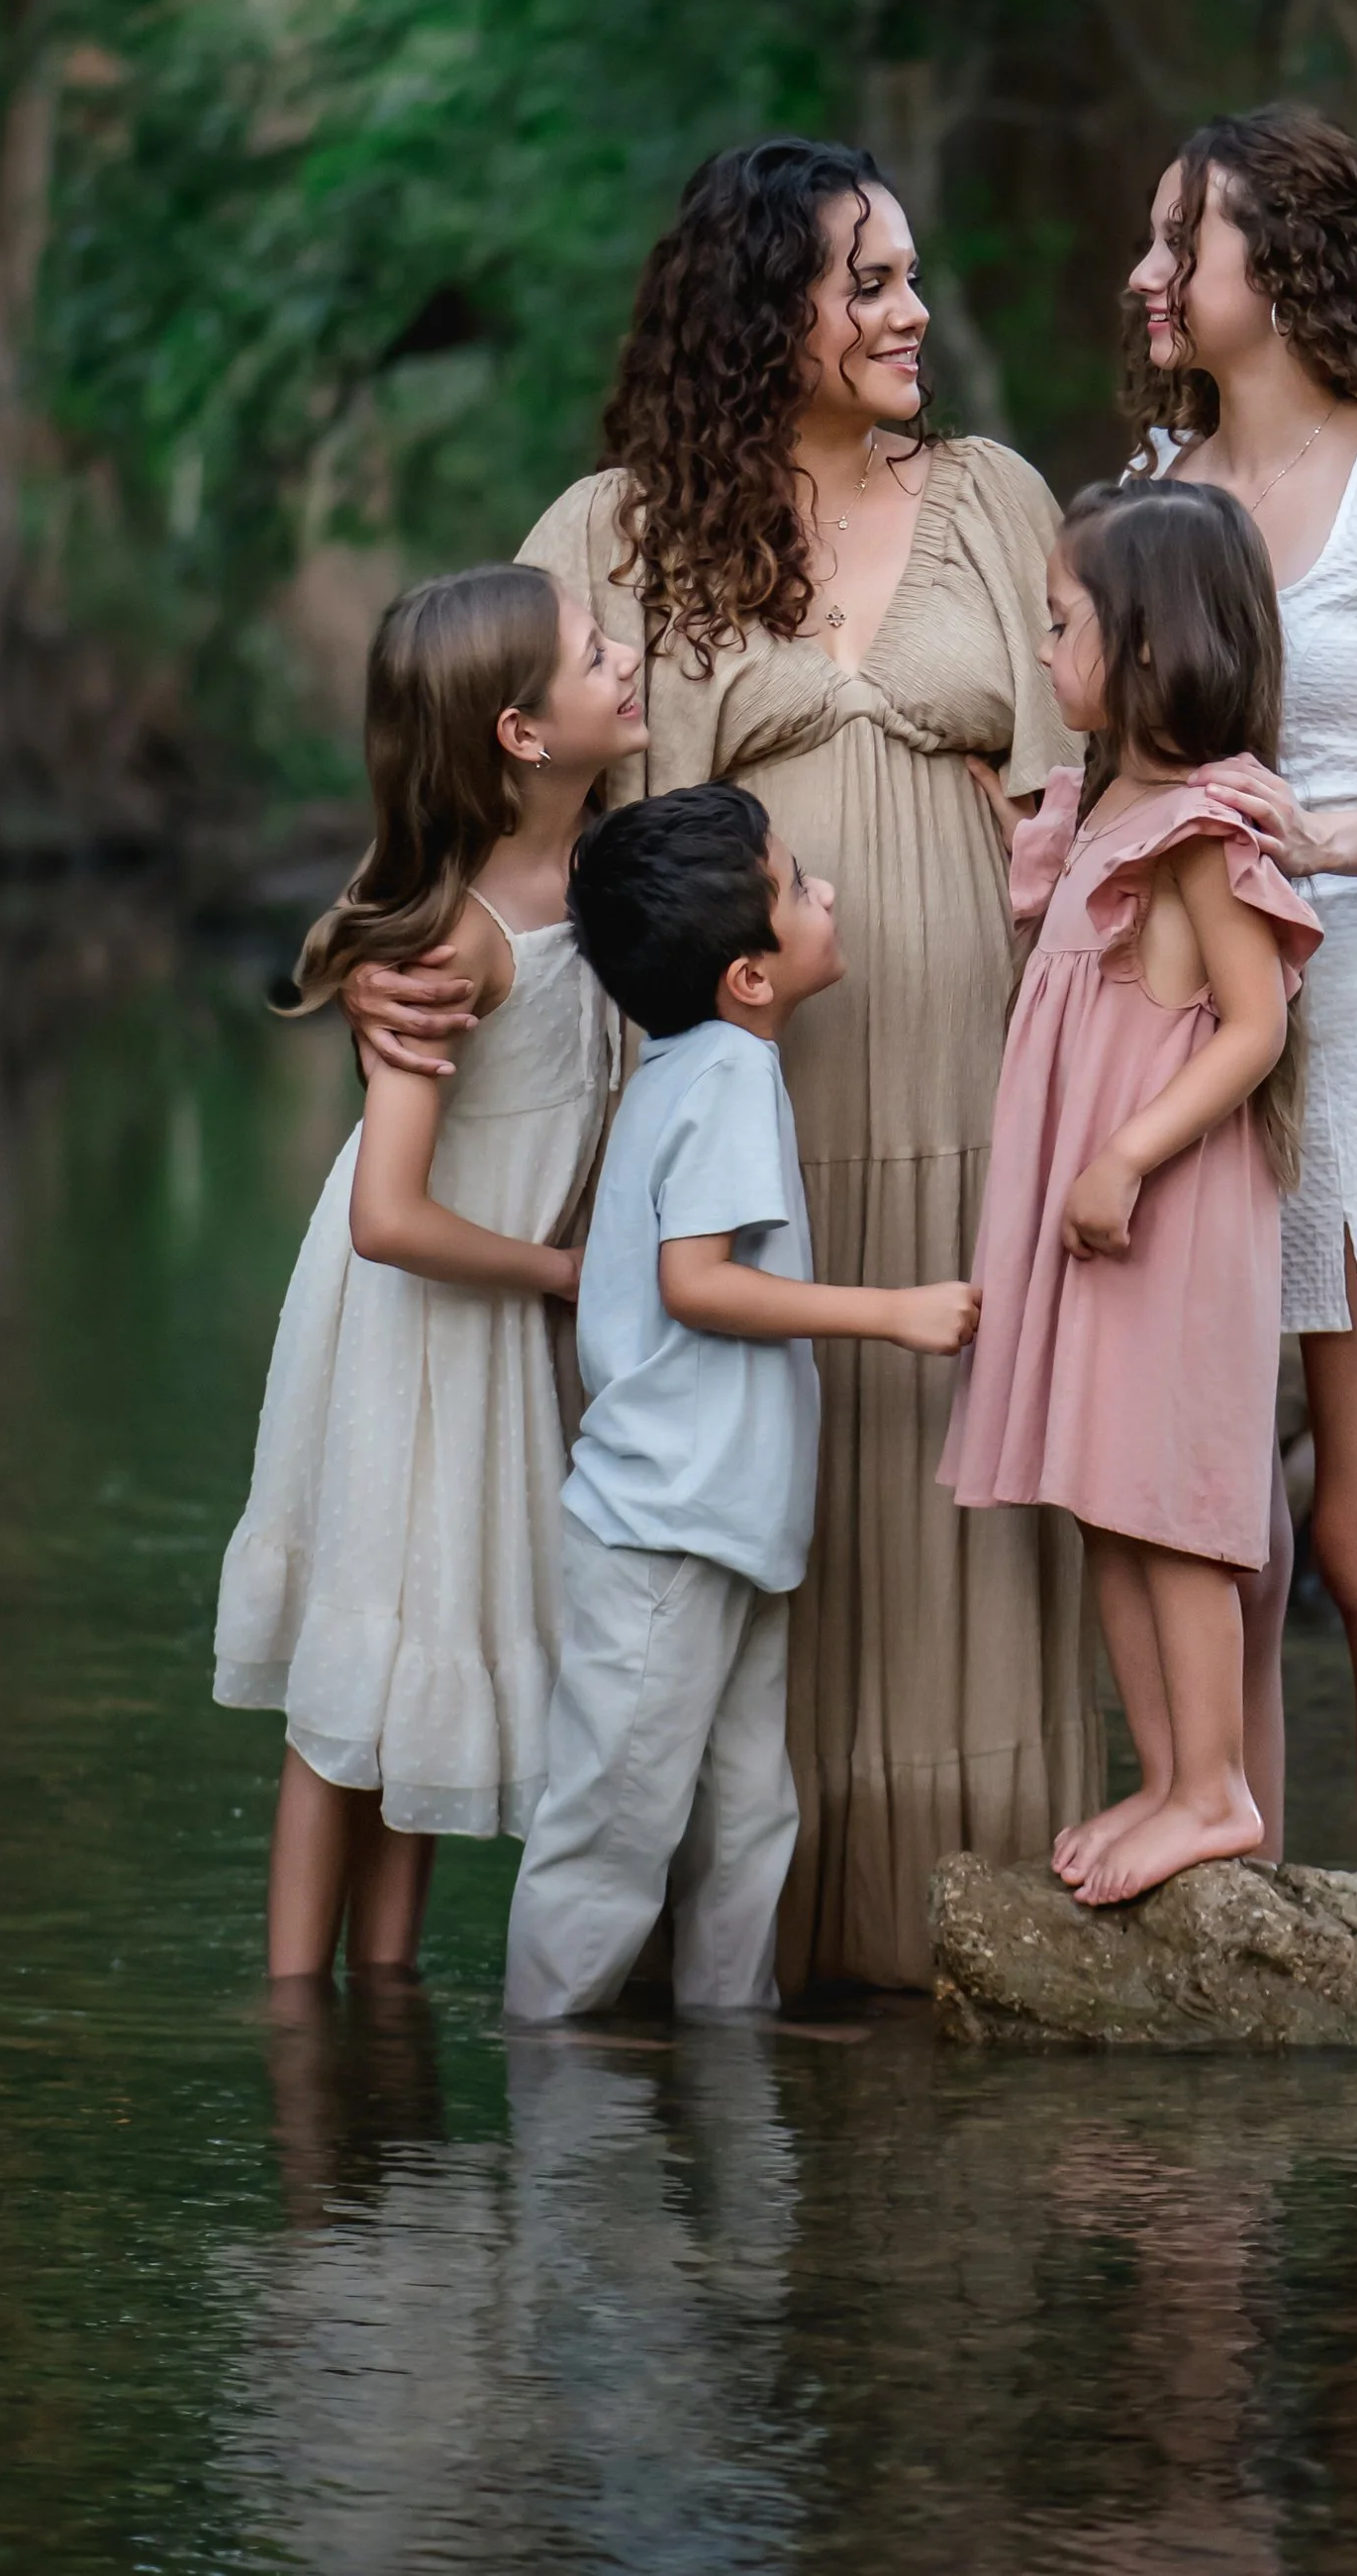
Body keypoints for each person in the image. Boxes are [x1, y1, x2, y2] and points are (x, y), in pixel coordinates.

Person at [344, 139, 1099, 1990]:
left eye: (913, 276)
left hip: (978, 1113)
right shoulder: (610, 533)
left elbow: (1113, 762)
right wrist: (380, 971)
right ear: (770, 308)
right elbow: (472, 800)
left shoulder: (999, 501)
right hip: (721, 1129)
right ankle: (713, 2009)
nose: (915, 312)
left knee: (954, 1491)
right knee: (725, 1551)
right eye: (873, 282)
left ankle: (963, 1934)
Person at [1127, 107, 1357, 1913]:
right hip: (1192, 1053)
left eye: (1174, 242)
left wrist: (1313, 827)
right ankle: (1249, 1916)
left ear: (1270, 267)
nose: (1144, 275)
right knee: (1233, 1536)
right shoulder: (1154, 499)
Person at [214, 566, 643, 1980]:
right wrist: (560, 1272)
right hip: (418, 1319)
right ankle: (294, 2013)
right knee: (358, 1666)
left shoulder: (591, 867)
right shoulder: (460, 936)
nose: (627, 658)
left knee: (431, 1648)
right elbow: (387, 1214)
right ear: (522, 733)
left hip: (492, 1312)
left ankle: (386, 2005)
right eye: (597, 652)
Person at [507, 785, 977, 2021]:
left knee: (747, 1816)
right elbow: (698, 1283)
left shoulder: (698, 1060)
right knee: (612, 1827)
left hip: (720, 1527)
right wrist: (894, 1311)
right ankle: (548, 2082)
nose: (827, 895)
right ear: (750, 977)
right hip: (667, 1530)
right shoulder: (721, 1074)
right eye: (800, 885)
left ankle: (730, 2063)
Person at [943, 482, 1318, 1906]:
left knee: (1167, 1499)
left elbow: (1252, 1025)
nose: (1044, 652)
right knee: (1104, 1497)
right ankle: (1165, 1776)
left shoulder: (1204, 831)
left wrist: (1126, 1155)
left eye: (1061, 624)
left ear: (1148, 645)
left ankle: (1216, 1787)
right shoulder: (1114, 810)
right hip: (1099, 1221)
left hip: (1161, 1212)